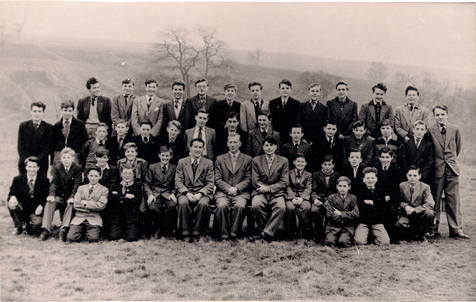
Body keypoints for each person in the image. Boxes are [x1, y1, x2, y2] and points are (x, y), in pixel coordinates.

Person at [428, 105, 469, 239]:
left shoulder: (455, 129)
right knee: (435, 200)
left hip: (452, 169)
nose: (440, 117)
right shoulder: (430, 130)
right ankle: (433, 228)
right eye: (437, 115)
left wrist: (450, 161)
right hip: (437, 170)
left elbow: (457, 148)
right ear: (434, 116)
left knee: (453, 200)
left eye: (442, 114)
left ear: (447, 114)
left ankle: (456, 229)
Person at [213, 134, 252, 241]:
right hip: (223, 192)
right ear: (227, 143)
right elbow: (217, 178)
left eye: (235, 142)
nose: (233, 145)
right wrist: (228, 188)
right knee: (221, 206)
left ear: (240, 144)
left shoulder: (247, 159)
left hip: (241, 192)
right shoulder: (220, 159)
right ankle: (224, 234)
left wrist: (237, 188)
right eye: (230, 142)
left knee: (240, 205)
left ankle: (234, 233)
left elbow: (248, 179)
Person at [175, 138, 215, 242]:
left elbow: (210, 183)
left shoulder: (208, 163)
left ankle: (197, 232)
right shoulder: (182, 162)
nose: (197, 150)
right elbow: (178, 181)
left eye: (200, 147)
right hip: (186, 191)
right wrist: (186, 193)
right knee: (183, 202)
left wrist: (200, 194)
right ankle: (185, 232)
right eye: (195, 147)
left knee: (203, 204)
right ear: (190, 148)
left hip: (202, 193)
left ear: (203, 149)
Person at [251, 136, 289, 242]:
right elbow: (255, 180)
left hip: (276, 192)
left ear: (276, 147)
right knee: (256, 205)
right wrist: (262, 188)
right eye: (266, 145)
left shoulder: (283, 161)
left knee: (281, 207)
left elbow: (284, 181)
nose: (269, 148)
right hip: (260, 191)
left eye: (271, 145)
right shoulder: (256, 160)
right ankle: (266, 230)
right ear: (263, 147)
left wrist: (269, 189)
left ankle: (266, 233)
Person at [39, 147, 83, 241]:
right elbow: (54, 183)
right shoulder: (57, 167)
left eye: (68, 157)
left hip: (71, 195)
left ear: (73, 158)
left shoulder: (77, 168)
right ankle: (46, 229)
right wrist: (51, 195)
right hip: (59, 195)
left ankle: (63, 229)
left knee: (71, 204)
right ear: (61, 158)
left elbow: (77, 184)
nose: (66, 160)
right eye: (64, 157)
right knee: (50, 203)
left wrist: (72, 197)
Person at [7, 157, 49, 236]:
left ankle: (28, 225)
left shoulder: (44, 180)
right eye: (29, 167)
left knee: (36, 226)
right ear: (26, 167)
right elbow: (12, 192)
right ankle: (19, 226)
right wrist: (12, 197)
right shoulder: (18, 179)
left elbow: (46, 196)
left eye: (34, 167)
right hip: (22, 208)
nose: (31, 169)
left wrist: (41, 205)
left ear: (38, 168)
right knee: (11, 203)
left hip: (36, 210)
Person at [66, 167, 108, 242]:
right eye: (91, 176)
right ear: (87, 176)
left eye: (96, 176)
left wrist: (85, 203)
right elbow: (76, 204)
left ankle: (90, 232)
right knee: (71, 238)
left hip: (94, 217)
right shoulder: (81, 188)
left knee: (93, 239)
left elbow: (100, 206)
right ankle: (81, 231)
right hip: (79, 217)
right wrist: (92, 206)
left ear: (100, 177)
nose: (93, 178)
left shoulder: (104, 190)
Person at [144, 146, 178, 238]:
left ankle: (166, 230)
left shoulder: (174, 168)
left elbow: (177, 183)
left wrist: (173, 194)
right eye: (163, 155)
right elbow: (146, 183)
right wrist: (150, 195)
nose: (165, 158)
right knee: (153, 207)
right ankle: (157, 229)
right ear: (159, 155)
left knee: (171, 205)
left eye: (167, 156)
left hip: (168, 193)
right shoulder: (152, 167)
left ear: (171, 156)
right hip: (155, 193)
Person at [396, 166, 435, 242]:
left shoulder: (425, 187)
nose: (412, 178)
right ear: (406, 175)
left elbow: (430, 203)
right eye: (410, 175)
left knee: (429, 213)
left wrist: (415, 210)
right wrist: (405, 206)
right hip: (406, 214)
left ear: (419, 176)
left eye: (415, 175)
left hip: (420, 215)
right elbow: (398, 200)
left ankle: (423, 234)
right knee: (399, 225)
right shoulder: (402, 186)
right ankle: (411, 234)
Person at [354, 167, 390, 245]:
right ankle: (368, 237)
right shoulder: (360, 192)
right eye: (368, 178)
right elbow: (361, 206)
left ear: (376, 179)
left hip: (377, 221)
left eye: (372, 178)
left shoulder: (381, 191)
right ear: (364, 180)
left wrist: (372, 202)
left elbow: (382, 207)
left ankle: (373, 237)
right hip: (364, 221)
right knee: (359, 241)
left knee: (385, 242)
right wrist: (377, 203)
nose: (370, 180)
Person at [375, 147, 404, 242]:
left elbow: (397, 187)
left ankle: (393, 236)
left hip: (392, 197)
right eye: (383, 157)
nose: (385, 160)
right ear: (379, 158)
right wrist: (380, 197)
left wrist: (389, 196)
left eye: (387, 157)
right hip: (379, 196)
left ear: (391, 158)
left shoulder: (397, 169)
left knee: (391, 210)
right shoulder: (376, 168)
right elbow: (374, 185)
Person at [107, 165, 143, 241]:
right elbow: (110, 198)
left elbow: (137, 200)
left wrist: (118, 196)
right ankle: (120, 231)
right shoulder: (115, 185)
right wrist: (126, 196)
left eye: (130, 173)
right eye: (125, 173)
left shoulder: (137, 186)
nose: (127, 175)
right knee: (113, 236)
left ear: (133, 175)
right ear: (121, 174)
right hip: (117, 217)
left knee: (132, 238)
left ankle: (128, 231)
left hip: (130, 217)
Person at [17, 101, 51, 176]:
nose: (37, 113)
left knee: (40, 186)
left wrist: (37, 160)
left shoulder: (48, 127)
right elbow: (20, 145)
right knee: (24, 185)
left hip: (41, 163)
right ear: (31, 112)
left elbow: (48, 147)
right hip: (25, 162)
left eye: (39, 111)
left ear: (43, 113)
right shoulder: (23, 125)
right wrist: (27, 159)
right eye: (34, 111)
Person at [311, 154, 340, 242]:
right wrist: (315, 199)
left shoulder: (337, 175)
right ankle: (318, 233)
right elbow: (314, 190)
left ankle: (328, 233)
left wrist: (330, 200)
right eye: (325, 164)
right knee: (314, 210)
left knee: (330, 212)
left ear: (333, 165)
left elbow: (337, 191)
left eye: (329, 164)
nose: (327, 167)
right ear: (321, 165)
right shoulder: (316, 174)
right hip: (319, 198)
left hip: (332, 199)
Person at [324, 176, 359, 247]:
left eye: (344, 186)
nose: (342, 188)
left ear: (349, 187)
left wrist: (340, 213)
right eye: (340, 186)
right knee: (330, 242)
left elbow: (356, 213)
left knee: (343, 242)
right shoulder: (331, 197)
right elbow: (329, 214)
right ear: (337, 186)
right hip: (333, 226)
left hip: (347, 227)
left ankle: (345, 238)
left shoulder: (353, 198)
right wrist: (347, 216)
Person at [285, 153, 312, 240]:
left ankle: (305, 232)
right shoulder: (288, 173)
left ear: (306, 163)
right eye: (298, 161)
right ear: (294, 162)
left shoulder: (308, 174)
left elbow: (308, 188)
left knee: (306, 207)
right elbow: (287, 186)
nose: (300, 163)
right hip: (291, 196)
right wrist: (292, 197)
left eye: (302, 162)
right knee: (290, 208)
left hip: (303, 197)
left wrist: (302, 198)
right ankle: (291, 232)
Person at [399, 120, 434, 185]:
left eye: (422, 129)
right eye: (417, 129)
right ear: (413, 130)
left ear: (425, 131)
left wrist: (421, 175)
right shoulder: (406, 143)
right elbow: (403, 159)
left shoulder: (428, 145)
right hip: (408, 175)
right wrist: (409, 173)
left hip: (422, 176)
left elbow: (430, 161)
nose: (419, 132)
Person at [269, 79, 300, 143]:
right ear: (279, 89)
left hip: (290, 136)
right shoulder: (273, 103)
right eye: (282, 88)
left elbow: (297, 121)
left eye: (287, 88)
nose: (285, 90)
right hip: (276, 135)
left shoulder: (296, 103)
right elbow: (271, 120)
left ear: (290, 89)